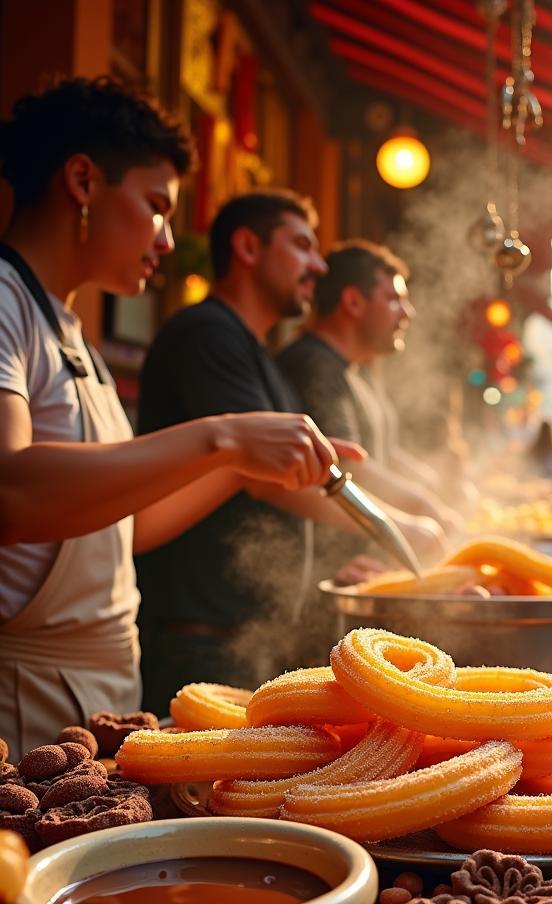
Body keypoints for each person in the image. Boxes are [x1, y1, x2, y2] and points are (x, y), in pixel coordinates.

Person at [0, 78, 360, 760]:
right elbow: (11, 493)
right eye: (156, 206)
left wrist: (236, 467)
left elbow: (120, 529)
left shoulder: (70, 327)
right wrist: (220, 435)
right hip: (21, 697)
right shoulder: (5, 299)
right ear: (82, 180)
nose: (166, 239)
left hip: (101, 685)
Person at [135, 193, 443, 712]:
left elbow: (306, 473)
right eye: (302, 246)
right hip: (201, 630)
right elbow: (265, 475)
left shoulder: (258, 353)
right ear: (248, 247)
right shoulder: (208, 335)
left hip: (241, 627)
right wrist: (396, 530)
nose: (317, 266)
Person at [276, 241, 460, 531]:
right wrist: (422, 509)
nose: (407, 313)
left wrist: (432, 484)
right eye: (393, 299)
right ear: (353, 302)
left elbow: (381, 451)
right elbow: (348, 465)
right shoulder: (314, 364)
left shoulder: (356, 368)